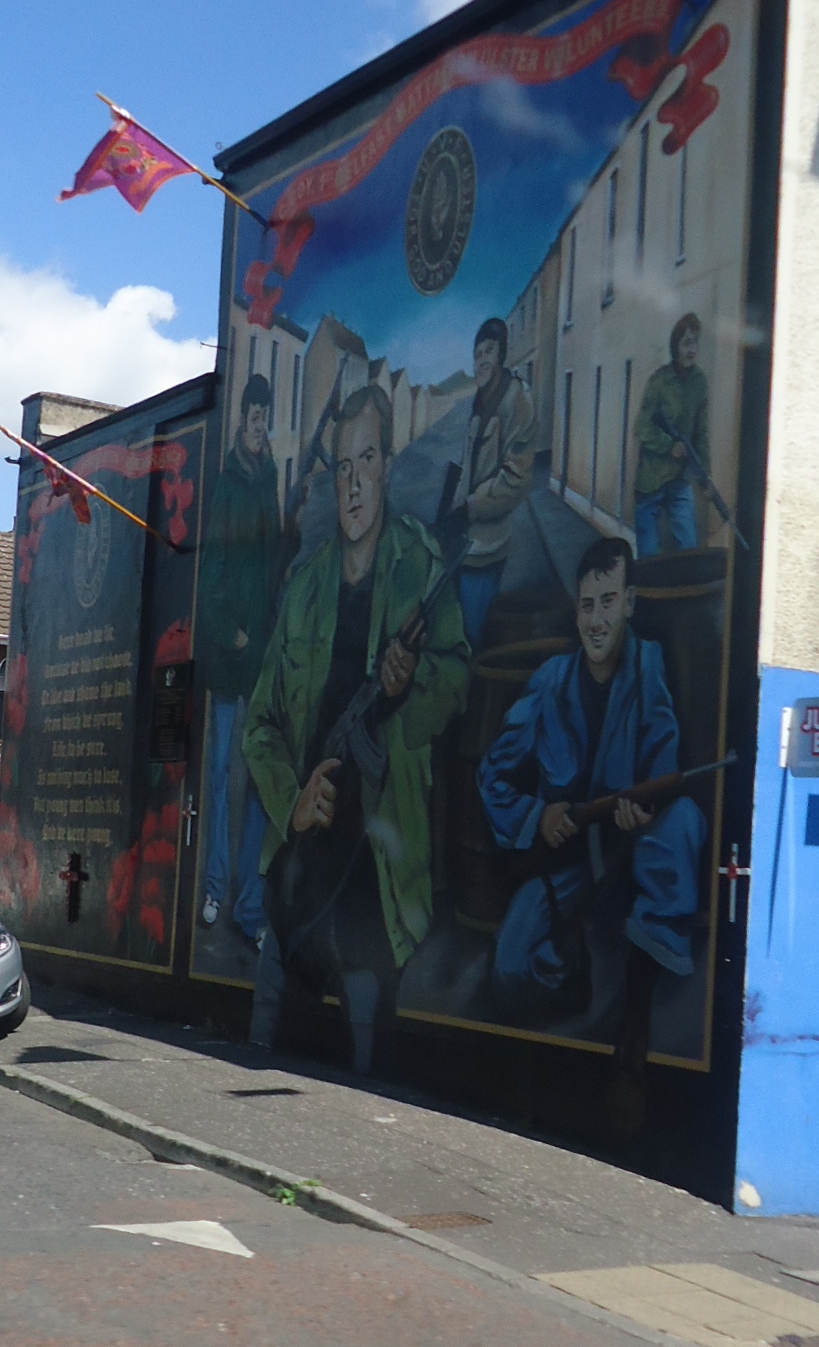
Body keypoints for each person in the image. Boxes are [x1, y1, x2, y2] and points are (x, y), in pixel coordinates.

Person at [242, 381, 468, 1074]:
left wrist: (407, 687)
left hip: (380, 863)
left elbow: (455, 683)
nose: (354, 483)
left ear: (387, 466)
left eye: (367, 461)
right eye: (342, 466)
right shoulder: (305, 588)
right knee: (267, 1049)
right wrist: (293, 801)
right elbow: (260, 724)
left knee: (370, 1068)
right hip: (301, 862)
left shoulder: (421, 565)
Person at [478, 535, 705, 1104]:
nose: (597, 620)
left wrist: (641, 808)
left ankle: (637, 1007)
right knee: (510, 968)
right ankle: (571, 985)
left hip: (631, 850)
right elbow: (494, 776)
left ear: (629, 602)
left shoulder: (649, 666)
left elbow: (663, 763)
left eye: (608, 602)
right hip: (569, 862)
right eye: (587, 605)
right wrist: (539, 816)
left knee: (681, 824)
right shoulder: (550, 681)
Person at [197, 372, 282, 944]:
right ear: (242, 420)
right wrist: (235, 636)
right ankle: (214, 887)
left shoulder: (269, 481)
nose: (259, 426)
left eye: (264, 418)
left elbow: (271, 562)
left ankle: (249, 908)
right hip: (232, 661)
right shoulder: (229, 487)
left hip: (262, 661)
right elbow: (214, 577)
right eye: (253, 417)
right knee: (223, 778)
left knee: (257, 782)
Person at [452, 317, 536, 650]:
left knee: (473, 637)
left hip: (487, 546)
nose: (481, 361)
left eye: (488, 351)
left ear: (502, 354)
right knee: (457, 632)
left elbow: (516, 479)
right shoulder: (479, 402)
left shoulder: (516, 400)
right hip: (463, 544)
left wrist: (471, 507)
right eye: (477, 354)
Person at [632, 312, 711, 558]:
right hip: (651, 480)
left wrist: (705, 477)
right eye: (686, 343)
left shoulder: (699, 382)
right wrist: (670, 446)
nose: (692, 350)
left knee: (688, 549)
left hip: (679, 479)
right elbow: (641, 427)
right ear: (675, 346)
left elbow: (701, 433)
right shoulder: (659, 381)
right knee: (648, 555)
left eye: (695, 342)